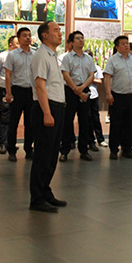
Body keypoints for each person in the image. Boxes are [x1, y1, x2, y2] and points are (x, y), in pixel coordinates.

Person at [28, 21, 68, 212]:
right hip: (46, 107)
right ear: (45, 35)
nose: (60, 34)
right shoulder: (41, 56)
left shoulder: (52, 56)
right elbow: (40, 86)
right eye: (56, 30)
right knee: (43, 155)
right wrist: (47, 113)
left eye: (60, 30)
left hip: (56, 107)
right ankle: (37, 198)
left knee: (52, 155)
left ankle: (45, 192)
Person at [104, 35, 132, 160]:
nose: (126, 45)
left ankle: (127, 148)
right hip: (117, 95)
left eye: (127, 43)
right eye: (123, 43)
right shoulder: (112, 60)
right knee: (116, 124)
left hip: (131, 96)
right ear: (117, 47)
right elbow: (107, 77)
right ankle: (114, 150)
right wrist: (108, 93)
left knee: (130, 123)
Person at [59, 31, 96, 162]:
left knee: (85, 121)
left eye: (82, 38)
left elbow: (92, 75)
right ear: (72, 42)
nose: (81, 40)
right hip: (70, 90)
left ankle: (84, 150)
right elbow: (66, 75)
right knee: (67, 120)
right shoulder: (67, 58)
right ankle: (64, 151)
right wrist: (76, 89)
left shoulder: (88, 58)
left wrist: (82, 88)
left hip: (84, 89)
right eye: (78, 38)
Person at [4, 27, 35, 162]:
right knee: (13, 122)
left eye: (29, 35)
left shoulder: (35, 54)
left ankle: (29, 149)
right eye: (24, 36)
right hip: (17, 90)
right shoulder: (12, 55)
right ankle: (11, 150)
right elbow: (8, 74)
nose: (28, 38)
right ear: (19, 38)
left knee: (30, 123)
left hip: (30, 91)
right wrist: (8, 92)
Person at [0, 36, 19, 155]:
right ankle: (3, 143)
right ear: (10, 45)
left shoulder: (20, 56)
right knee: (5, 117)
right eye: (17, 43)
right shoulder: (2, 56)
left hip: (16, 90)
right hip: (3, 90)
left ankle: (12, 143)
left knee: (14, 117)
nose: (19, 46)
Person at [86, 50, 107, 148]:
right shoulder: (82, 67)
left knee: (95, 118)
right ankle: (90, 140)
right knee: (87, 118)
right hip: (84, 95)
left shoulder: (96, 67)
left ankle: (100, 139)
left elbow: (99, 81)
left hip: (94, 95)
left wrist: (90, 79)